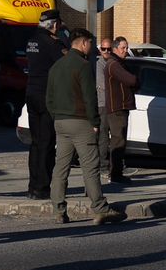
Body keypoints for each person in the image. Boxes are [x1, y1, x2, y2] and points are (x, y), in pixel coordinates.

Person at [47, 29, 127, 225]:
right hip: (81, 122)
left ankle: (58, 210)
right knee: (90, 167)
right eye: (91, 43)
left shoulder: (56, 66)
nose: (92, 48)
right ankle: (100, 209)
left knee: (60, 167)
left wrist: (57, 117)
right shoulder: (83, 66)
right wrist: (95, 123)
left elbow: (48, 98)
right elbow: (90, 97)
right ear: (83, 43)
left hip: (60, 122)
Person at [24, 9, 66, 200]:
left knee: (35, 143)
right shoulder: (52, 43)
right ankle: (42, 187)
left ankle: (33, 186)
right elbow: (65, 63)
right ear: (55, 25)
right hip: (46, 96)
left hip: (31, 93)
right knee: (47, 143)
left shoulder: (32, 40)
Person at [99, 34, 138, 185]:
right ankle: (115, 175)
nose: (126, 51)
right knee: (118, 142)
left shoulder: (119, 62)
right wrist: (135, 80)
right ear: (115, 49)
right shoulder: (114, 64)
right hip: (117, 108)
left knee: (120, 141)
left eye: (127, 48)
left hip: (121, 107)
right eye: (123, 48)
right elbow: (131, 79)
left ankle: (116, 173)